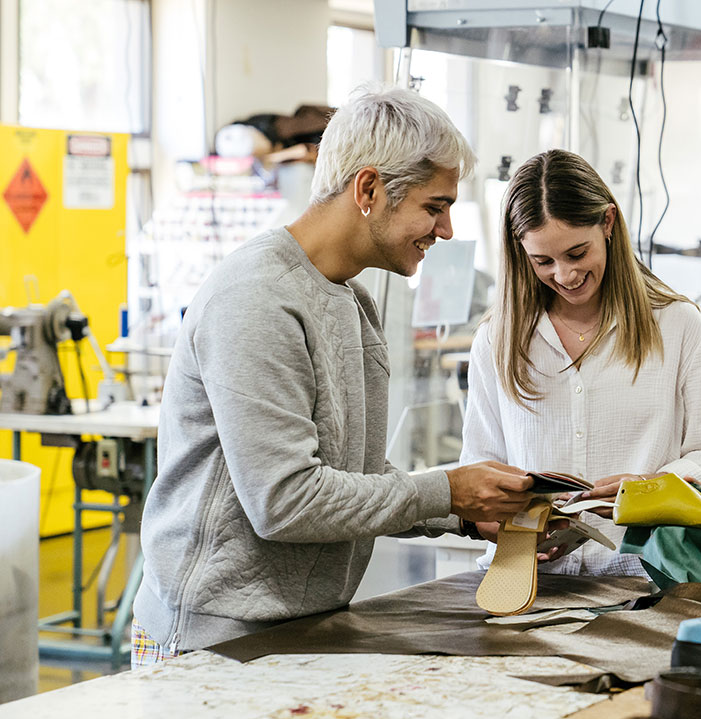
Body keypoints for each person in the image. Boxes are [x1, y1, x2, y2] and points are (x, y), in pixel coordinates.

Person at [131, 84, 534, 665]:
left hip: (297, 629)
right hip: (208, 640)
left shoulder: (351, 302)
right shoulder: (258, 298)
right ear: (368, 189)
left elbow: (350, 473)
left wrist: (468, 514)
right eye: (434, 206)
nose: (445, 231)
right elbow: (286, 500)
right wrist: (445, 489)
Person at [460, 149, 701, 576]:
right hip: (525, 581)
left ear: (607, 223)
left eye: (576, 253)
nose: (564, 275)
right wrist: (498, 523)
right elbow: (479, 467)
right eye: (542, 261)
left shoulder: (678, 324)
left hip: (644, 572)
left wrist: (651, 490)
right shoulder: (496, 339)